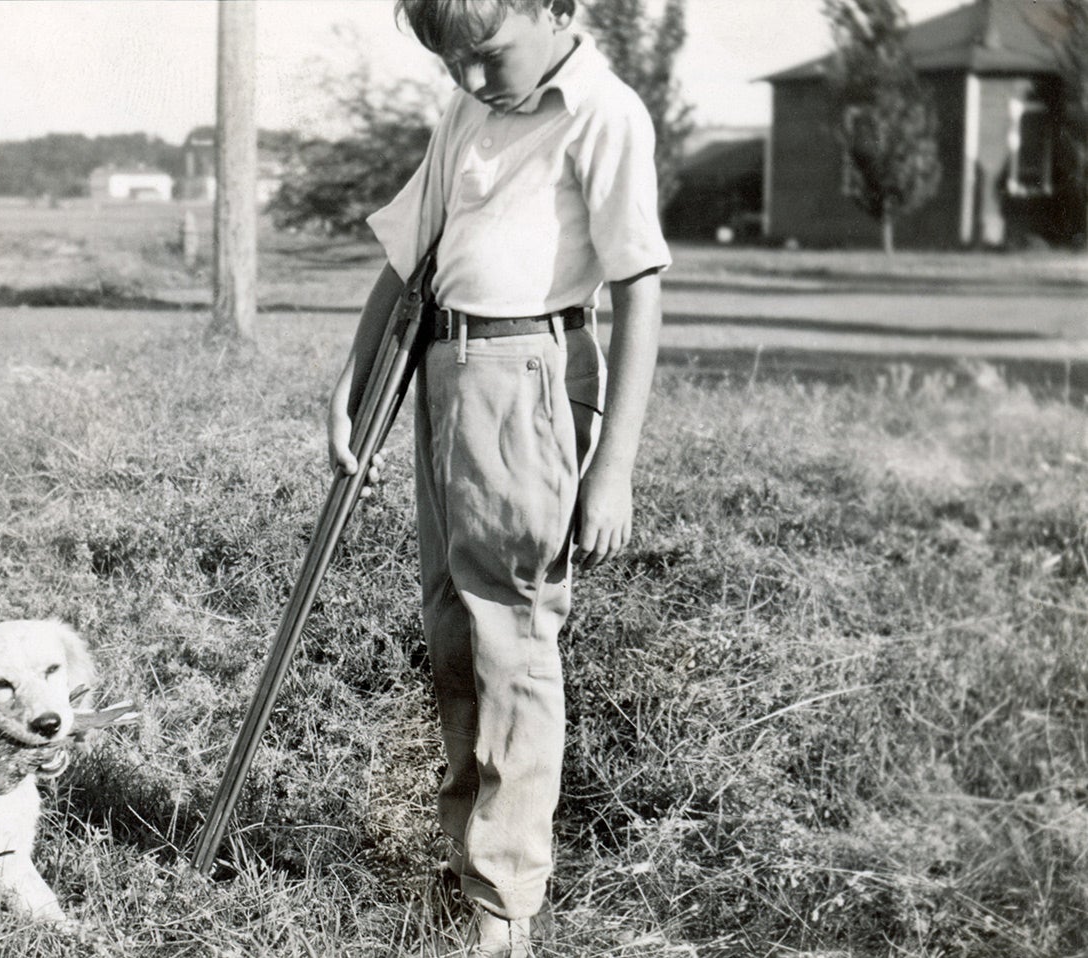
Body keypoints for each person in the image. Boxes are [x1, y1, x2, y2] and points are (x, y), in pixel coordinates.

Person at [325, 1, 670, 954]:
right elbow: (411, 254)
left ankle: (505, 902)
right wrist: (354, 380)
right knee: (452, 624)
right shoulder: (468, 109)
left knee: (510, 633)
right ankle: (470, 859)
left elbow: (641, 292)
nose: (471, 79)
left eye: (486, 54)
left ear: (553, 6)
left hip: (530, 376)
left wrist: (614, 469)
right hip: (444, 367)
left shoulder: (604, 112)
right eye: (451, 63)